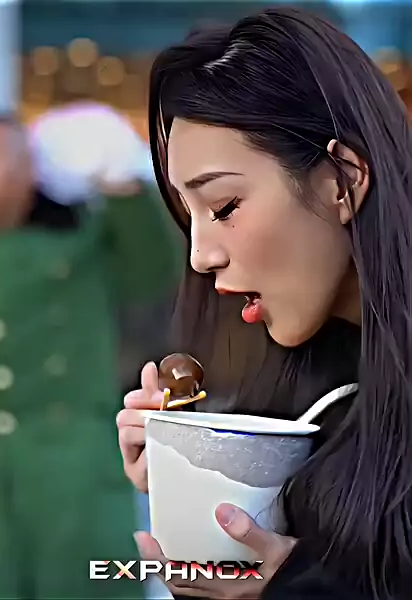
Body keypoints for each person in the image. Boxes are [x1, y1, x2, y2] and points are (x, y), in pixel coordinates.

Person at [117, 7, 412, 600]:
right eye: (188, 215)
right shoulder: (308, 387)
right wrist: (198, 495)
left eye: (224, 206)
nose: (200, 256)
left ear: (343, 180)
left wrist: (298, 589)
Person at [0, 111, 181, 598]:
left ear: (30, 170)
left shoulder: (81, 242)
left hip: (74, 468)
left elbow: (152, 269)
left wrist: (119, 183)